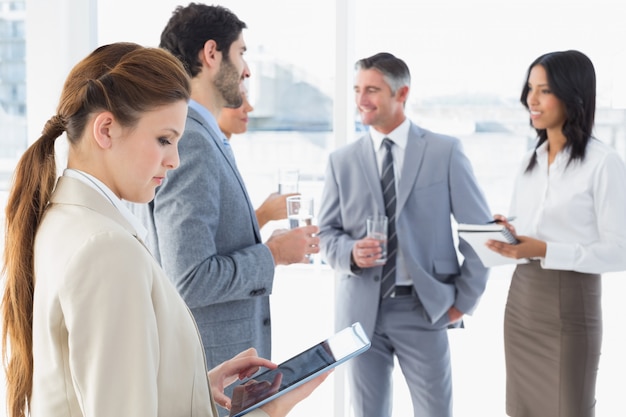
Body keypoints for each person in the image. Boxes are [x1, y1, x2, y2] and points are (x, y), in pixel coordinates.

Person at [0, 42, 327, 417]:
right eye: (164, 140)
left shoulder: (64, 219)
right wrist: (264, 413)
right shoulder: (106, 248)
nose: (173, 160)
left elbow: (95, 391)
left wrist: (192, 386)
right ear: (105, 129)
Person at [132, 2, 320, 391]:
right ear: (212, 54)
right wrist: (273, 254)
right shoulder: (194, 142)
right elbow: (190, 278)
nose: (247, 69)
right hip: (212, 374)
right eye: (242, 53)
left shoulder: (201, 135)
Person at [317, 52, 492, 417]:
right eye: (357, 89)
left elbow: (480, 233)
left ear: (402, 94)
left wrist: (463, 301)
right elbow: (326, 235)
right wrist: (350, 252)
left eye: (372, 90)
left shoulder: (445, 151)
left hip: (424, 308)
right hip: (359, 313)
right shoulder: (341, 161)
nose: (361, 99)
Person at [485, 50, 626, 417]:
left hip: (570, 302)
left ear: (573, 95)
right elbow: (528, 231)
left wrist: (548, 249)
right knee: (522, 410)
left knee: (570, 409)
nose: (531, 99)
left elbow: (619, 250)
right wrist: (510, 233)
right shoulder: (528, 162)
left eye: (544, 90)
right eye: (530, 88)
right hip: (521, 303)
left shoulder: (603, 162)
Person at [218, 79, 295, 229]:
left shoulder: (224, 150)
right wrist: (264, 213)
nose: (249, 107)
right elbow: (223, 239)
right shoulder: (204, 154)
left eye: (246, 97)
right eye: (237, 100)